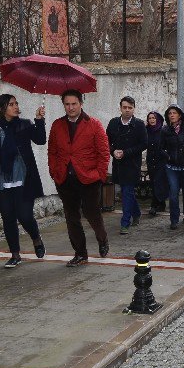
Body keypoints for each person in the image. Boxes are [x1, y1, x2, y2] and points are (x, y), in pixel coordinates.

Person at [0, 94, 47, 269]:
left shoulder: (24, 124)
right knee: (8, 218)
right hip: (2, 179)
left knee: (24, 216)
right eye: (11, 104)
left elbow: (40, 140)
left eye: (16, 103)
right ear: (2, 109)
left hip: (24, 179)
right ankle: (15, 254)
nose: (16, 106)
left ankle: (36, 238)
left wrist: (39, 120)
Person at [47, 89, 110, 267]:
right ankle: (80, 253)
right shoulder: (57, 125)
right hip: (65, 179)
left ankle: (102, 239)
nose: (70, 107)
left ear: (81, 104)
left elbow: (104, 153)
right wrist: (54, 171)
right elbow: (52, 151)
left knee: (92, 214)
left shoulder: (94, 124)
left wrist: (99, 174)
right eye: (67, 104)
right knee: (71, 217)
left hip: (89, 178)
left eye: (74, 104)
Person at [106, 96, 147, 235]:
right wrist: (113, 151)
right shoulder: (113, 123)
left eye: (130, 107)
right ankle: (136, 213)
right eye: (125, 107)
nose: (127, 110)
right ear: (121, 108)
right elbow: (107, 141)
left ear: (134, 108)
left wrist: (126, 152)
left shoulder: (139, 125)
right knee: (126, 191)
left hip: (132, 164)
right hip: (118, 163)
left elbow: (143, 144)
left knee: (127, 191)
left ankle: (125, 222)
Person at [161, 104, 184, 229]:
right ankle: (174, 219)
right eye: (170, 113)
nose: (172, 115)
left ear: (179, 115)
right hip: (171, 167)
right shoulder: (165, 130)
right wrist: (167, 156)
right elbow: (160, 148)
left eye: (174, 113)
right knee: (173, 193)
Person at [145, 111, 169, 216]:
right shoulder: (146, 131)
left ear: (158, 119)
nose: (152, 120)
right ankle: (161, 203)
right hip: (151, 159)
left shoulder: (163, 131)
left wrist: (166, 154)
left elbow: (168, 144)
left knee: (158, 181)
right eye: (150, 118)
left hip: (161, 160)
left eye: (154, 118)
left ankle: (154, 205)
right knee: (153, 182)